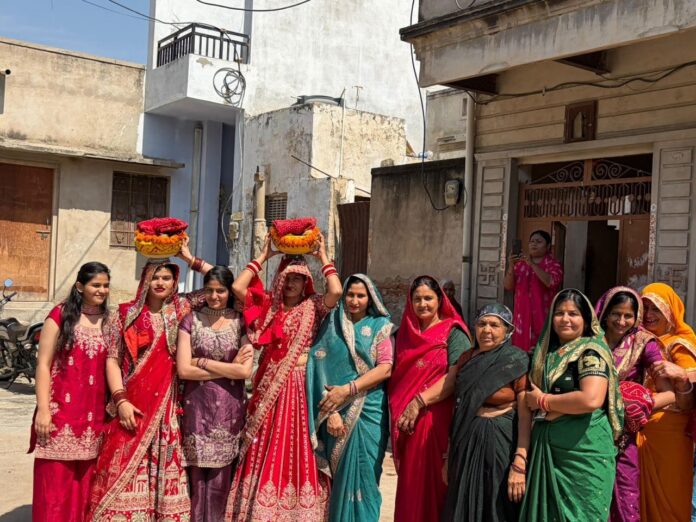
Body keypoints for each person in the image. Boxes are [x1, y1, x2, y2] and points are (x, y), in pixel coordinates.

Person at [88, 243, 213, 521]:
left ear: (174, 281)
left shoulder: (180, 309)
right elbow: (112, 359)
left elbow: (220, 282)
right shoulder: (124, 314)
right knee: (121, 460)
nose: (160, 282)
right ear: (145, 278)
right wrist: (120, 400)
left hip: (166, 406)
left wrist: (190, 258)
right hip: (132, 402)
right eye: (155, 276)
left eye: (166, 277)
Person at [224, 233, 342, 521]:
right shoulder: (269, 305)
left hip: (301, 386)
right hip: (269, 385)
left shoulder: (313, 306)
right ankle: (260, 509)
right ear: (279, 279)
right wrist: (264, 256)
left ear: (306, 282)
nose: (291, 284)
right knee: (265, 442)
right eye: (287, 277)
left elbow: (337, 291)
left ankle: (299, 511)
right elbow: (238, 287)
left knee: (298, 444)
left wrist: (322, 257)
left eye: (298, 278)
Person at [520, 288, 624, 522]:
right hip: (549, 450)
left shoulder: (591, 351)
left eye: (573, 314)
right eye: (559, 313)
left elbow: (591, 399)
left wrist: (543, 401)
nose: (565, 319)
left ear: (586, 320)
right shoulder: (545, 354)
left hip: (584, 453)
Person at [306, 273, 394, 522]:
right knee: (340, 480)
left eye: (361, 296)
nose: (355, 301)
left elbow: (385, 368)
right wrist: (330, 411)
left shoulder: (380, 326)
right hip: (334, 412)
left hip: (368, 412)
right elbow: (317, 367)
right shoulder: (331, 326)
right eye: (350, 295)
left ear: (370, 298)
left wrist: (349, 389)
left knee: (367, 479)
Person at [30, 262, 113, 522]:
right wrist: (43, 410)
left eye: (106, 285)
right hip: (60, 413)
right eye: (95, 285)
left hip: (93, 418)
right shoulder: (60, 315)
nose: (102, 290)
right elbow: (43, 365)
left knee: (87, 488)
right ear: (80, 286)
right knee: (55, 487)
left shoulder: (110, 320)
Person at [388, 275, 472, 522]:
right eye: (417, 299)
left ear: (439, 300)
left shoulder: (453, 332)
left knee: (436, 485)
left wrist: (419, 401)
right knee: (411, 487)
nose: (422, 304)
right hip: (407, 424)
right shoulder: (403, 335)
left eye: (428, 298)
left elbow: (455, 377)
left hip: (437, 422)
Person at [176, 266, 255, 522]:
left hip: (229, 410)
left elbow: (244, 371)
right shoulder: (191, 320)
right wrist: (228, 368)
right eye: (209, 290)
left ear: (229, 292)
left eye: (220, 290)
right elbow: (183, 370)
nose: (214, 296)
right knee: (197, 479)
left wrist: (202, 362)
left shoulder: (240, 321)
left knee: (222, 480)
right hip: (197, 408)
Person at [442, 303, 530, 522]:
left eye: (494, 325)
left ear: (508, 330)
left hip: (500, 442)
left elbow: (524, 415)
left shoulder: (516, 361)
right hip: (466, 441)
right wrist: (448, 455)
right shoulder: (466, 359)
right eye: (482, 324)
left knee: (496, 505)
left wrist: (520, 460)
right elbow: (458, 408)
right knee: (462, 503)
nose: (487, 330)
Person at [595, 286, 674, 522]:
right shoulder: (589, 340)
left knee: (625, 497)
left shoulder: (643, 343)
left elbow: (669, 394)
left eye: (628, 316)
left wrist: (634, 402)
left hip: (622, 435)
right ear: (604, 313)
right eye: (615, 314)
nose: (621, 321)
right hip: (588, 429)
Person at [637, 282, 696, 522]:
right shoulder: (635, 341)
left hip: (669, 437)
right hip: (639, 431)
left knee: (669, 504)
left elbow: (688, 398)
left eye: (656, 309)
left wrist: (681, 376)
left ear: (670, 312)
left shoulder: (678, 344)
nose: (649, 315)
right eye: (645, 308)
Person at [504, 230, 564, 351]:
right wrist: (511, 265)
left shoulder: (553, 264)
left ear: (548, 246)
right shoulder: (520, 265)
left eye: (538, 241)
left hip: (543, 318)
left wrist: (532, 264)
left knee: (542, 352)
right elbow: (508, 286)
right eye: (531, 241)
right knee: (520, 353)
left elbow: (551, 282)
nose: (534, 244)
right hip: (522, 321)